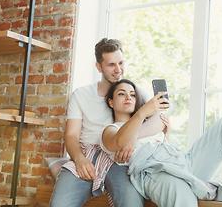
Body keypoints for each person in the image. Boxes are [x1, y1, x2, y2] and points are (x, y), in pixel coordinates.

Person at [100, 79, 222, 207]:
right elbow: (120, 141)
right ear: (111, 102)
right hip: (156, 172)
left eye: (133, 94)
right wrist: (142, 113)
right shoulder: (110, 129)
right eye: (122, 93)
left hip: (184, 161)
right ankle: (196, 188)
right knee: (184, 200)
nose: (129, 96)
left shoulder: (147, 122)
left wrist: (136, 137)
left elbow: (160, 118)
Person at [50, 39, 166, 207]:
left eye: (121, 63)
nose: (118, 69)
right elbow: (71, 135)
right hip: (87, 156)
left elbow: (161, 119)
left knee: (131, 202)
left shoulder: (133, 92)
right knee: (59, 204)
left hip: (120, 159)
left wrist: (132, 138)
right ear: (99, 67)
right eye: (111, 64)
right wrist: (79, 159)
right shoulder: (81, 94)